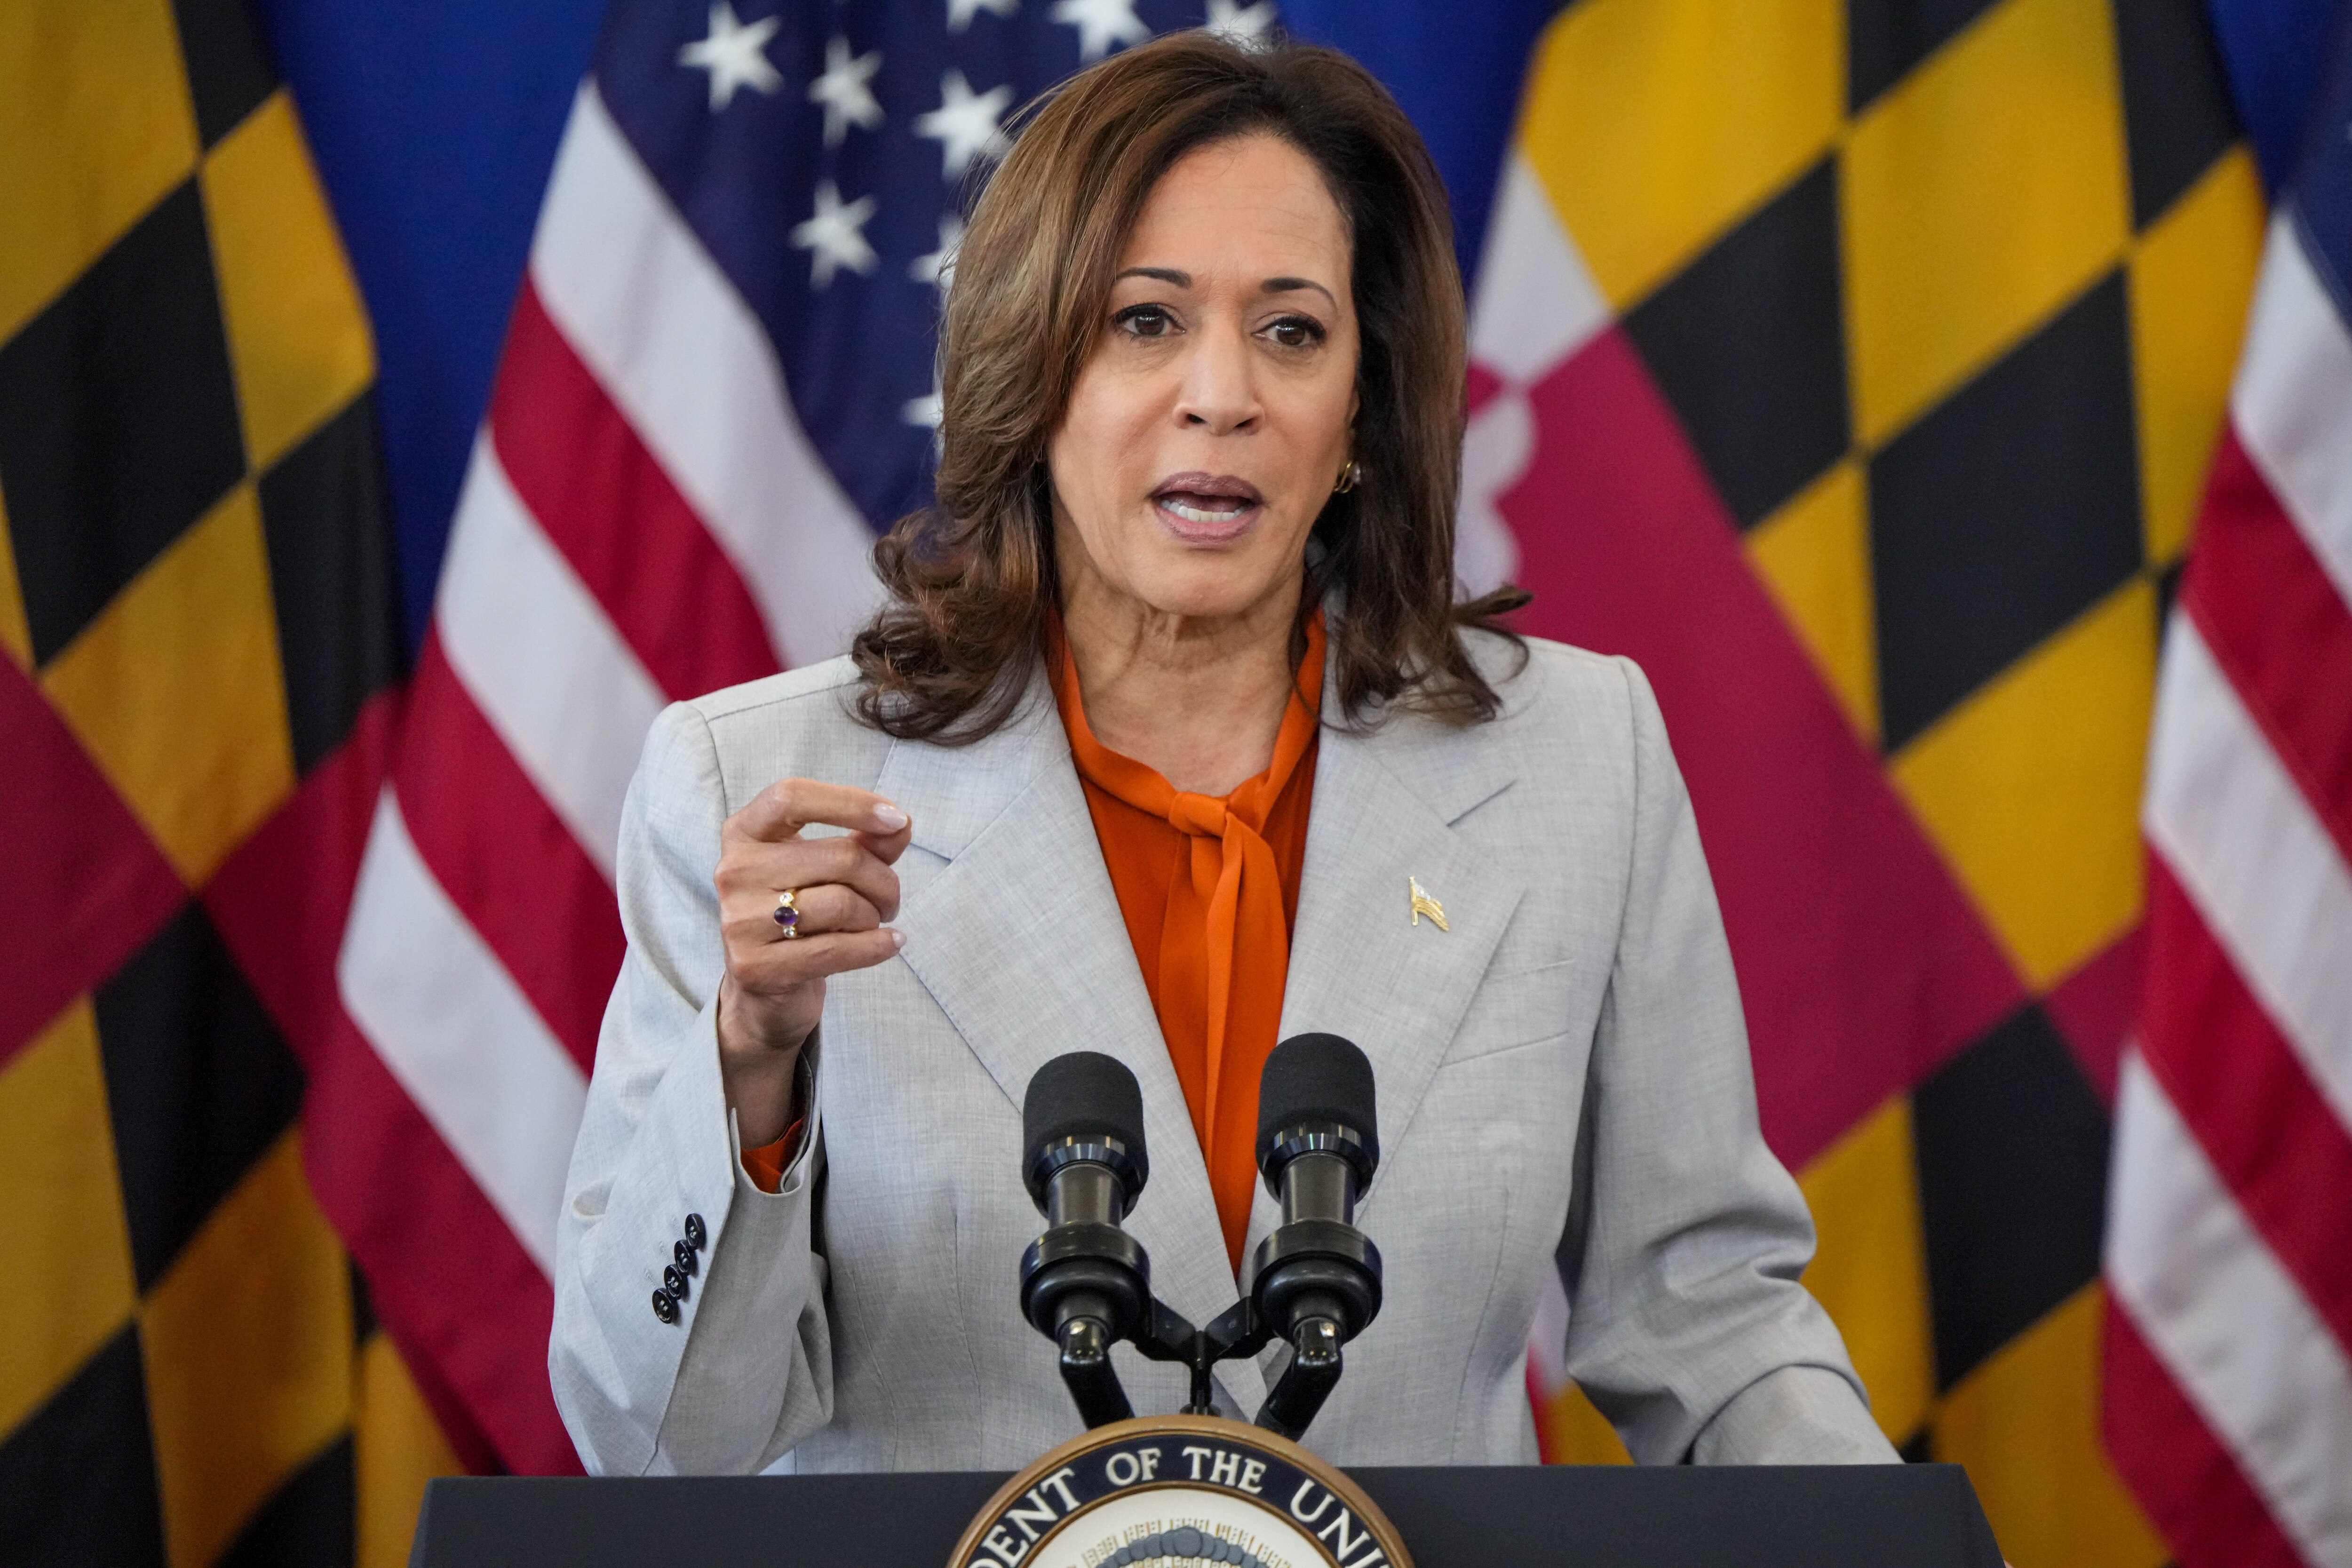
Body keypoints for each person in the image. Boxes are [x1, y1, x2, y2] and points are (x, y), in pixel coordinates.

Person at [550, 30, 1898, 1478]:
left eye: (1292, 331)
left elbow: (1709, 1323)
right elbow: (658, 1441)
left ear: (1362, 410)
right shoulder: (755, 790)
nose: (1222, 394)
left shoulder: (1579, 759)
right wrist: (748, 1067)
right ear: (1035, 375)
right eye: (1146, 321)